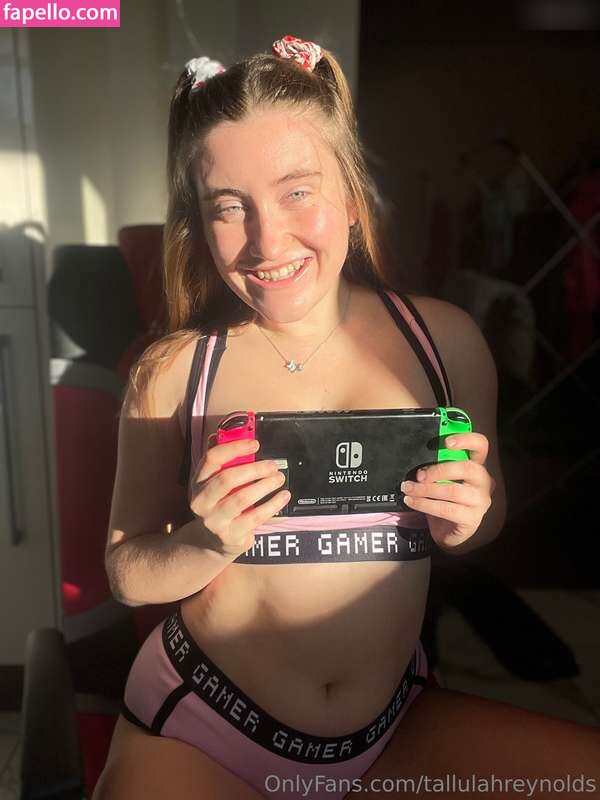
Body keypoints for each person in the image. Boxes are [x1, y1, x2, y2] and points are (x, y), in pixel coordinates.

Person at [93, 35, 600, 800]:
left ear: (353, 198)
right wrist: (206, 541)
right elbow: (127, 572)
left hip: (392, 728)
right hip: (203, 727)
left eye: (298, 191)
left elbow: (484, 513)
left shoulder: (446, 343)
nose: (267, 240)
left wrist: (467, 521)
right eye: (228, 207)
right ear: (197, 223)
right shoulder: (170, 373)